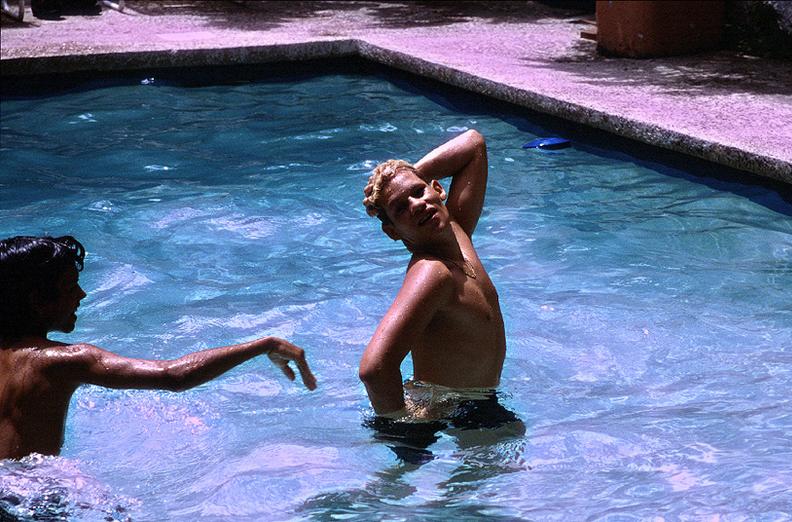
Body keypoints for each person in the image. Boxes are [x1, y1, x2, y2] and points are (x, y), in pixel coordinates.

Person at [0, 235, 317, 460]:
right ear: (38, 301)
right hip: (31, 491)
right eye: (70, 286)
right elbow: (173, 375)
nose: (81, 294)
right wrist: (263, 345)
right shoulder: (61, 362)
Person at [360, 130, 520, 460]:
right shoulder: (432, 272)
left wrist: (407, 176)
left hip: (473, 400)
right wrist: (404, 431)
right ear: (392, 232)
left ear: (438, 188)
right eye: (401, 209)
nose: (416, 205)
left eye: (418, 192)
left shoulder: (457, 233)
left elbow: (473, 144)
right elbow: (374, 368)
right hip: (448, 408)